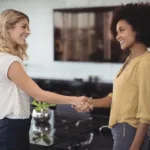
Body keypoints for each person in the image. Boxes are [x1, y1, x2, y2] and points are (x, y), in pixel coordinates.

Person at [0, 9, 91, 150]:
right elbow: (38, 94)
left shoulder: (4, 58)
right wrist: (75, 100)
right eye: (23, 26)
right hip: (12, 127)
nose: (28, 32)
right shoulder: (9, 61)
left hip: (11, 125)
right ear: (8, 28)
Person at [75, 3, 150, 150]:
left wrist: (135, 147)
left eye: (122, 30)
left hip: (129, 132)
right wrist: (91, 102)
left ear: (138, 29)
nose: (117, 36)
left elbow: (146, 112)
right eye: (116, 31)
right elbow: (116, 98)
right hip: (120, 130)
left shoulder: (145, 63)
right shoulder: (131, 60)